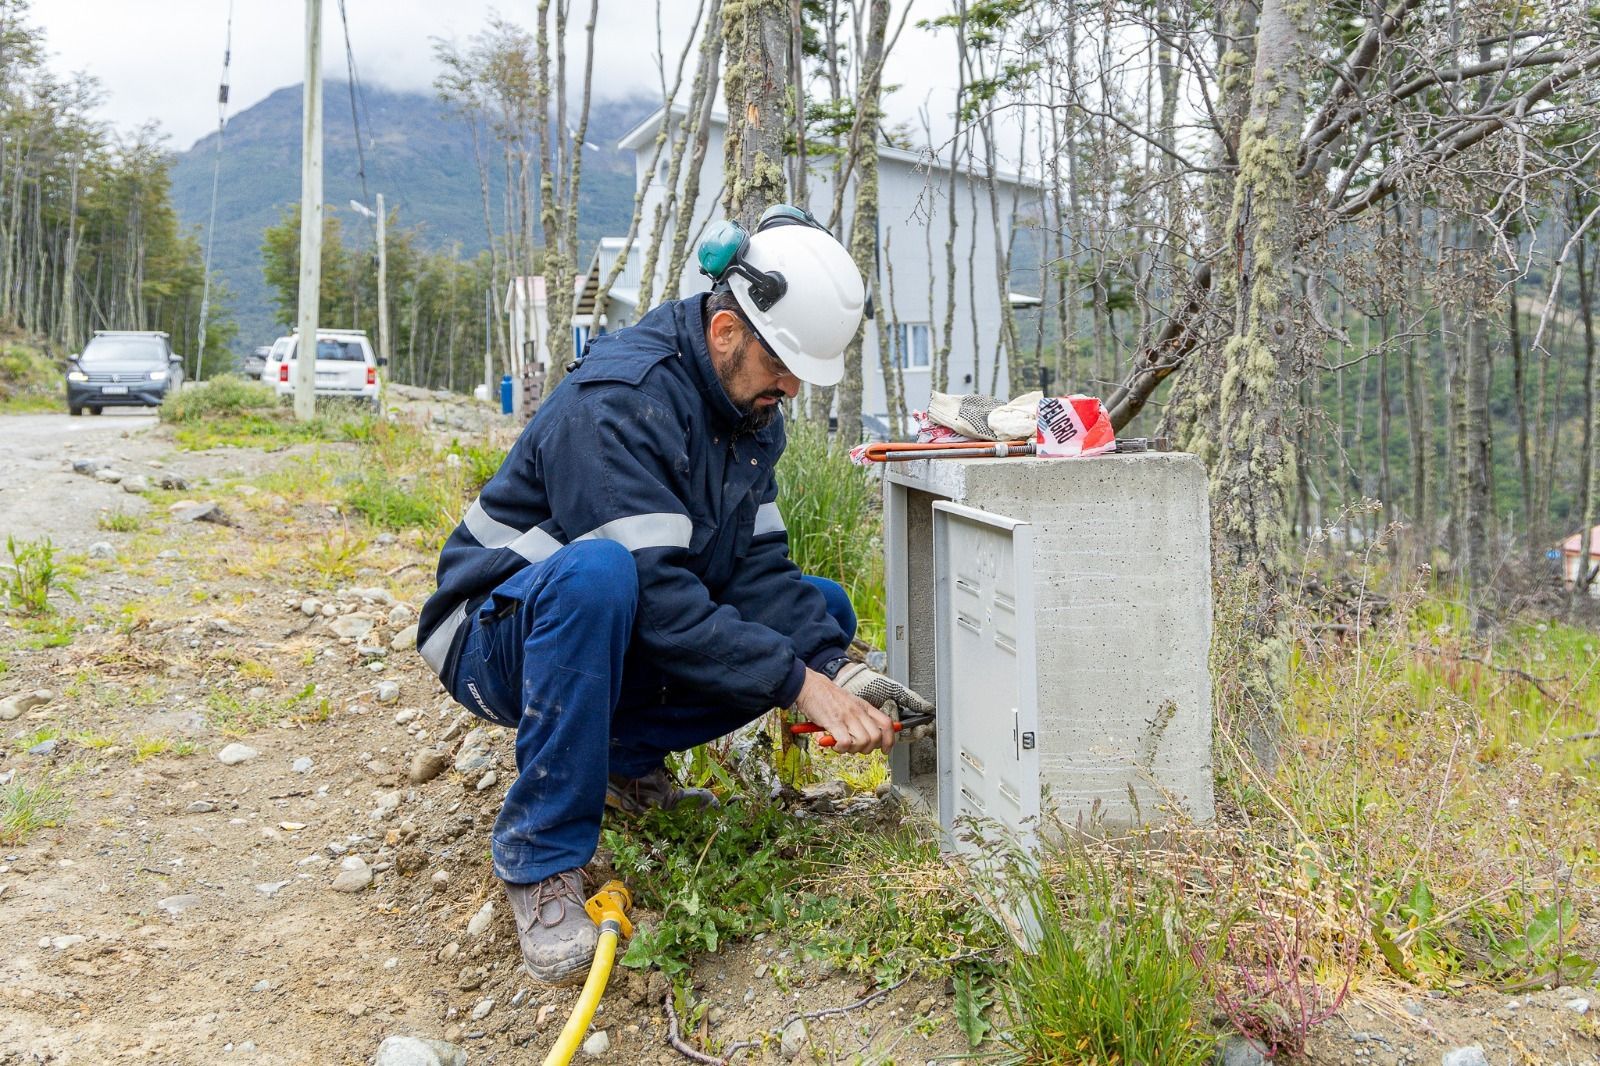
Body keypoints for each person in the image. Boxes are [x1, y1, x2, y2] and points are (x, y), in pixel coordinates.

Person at [416, 205, 934, 985]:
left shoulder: (748, 408)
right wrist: (799, 686)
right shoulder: (619, 402)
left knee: (822, 611)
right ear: (725, 332)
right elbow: (657, 598)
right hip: (493, 630)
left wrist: (834, 665)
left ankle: (622, 762)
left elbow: (757, 563)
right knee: (603, 577)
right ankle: (540, 858)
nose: (790, 388)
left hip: (606, 615)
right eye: (782, 367)